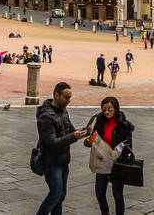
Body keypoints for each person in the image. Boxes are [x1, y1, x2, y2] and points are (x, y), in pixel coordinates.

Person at [36, 82, 90, 215]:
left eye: (70, 97)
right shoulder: (45, 116)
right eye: (66, 97)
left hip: (63, 161)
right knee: (55, 195)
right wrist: (74, 137)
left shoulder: (63, 111)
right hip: (51, 163)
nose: (69, 101)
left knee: (60, 197)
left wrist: (85, 131)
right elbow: (52, 142)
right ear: (56, 95)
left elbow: (71, 131)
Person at [83, 96, 133, 215]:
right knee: (99, 192)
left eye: (110, 109)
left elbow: (130, 145)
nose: (106, 112)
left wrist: (124, 147)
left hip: (118, 162)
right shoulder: (100, 122)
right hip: (102, 161)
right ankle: (105, 212)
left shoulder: (124, 125)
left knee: (118, 195)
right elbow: (93, 139)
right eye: (104, 109)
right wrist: (88, 142)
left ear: (116, 109)